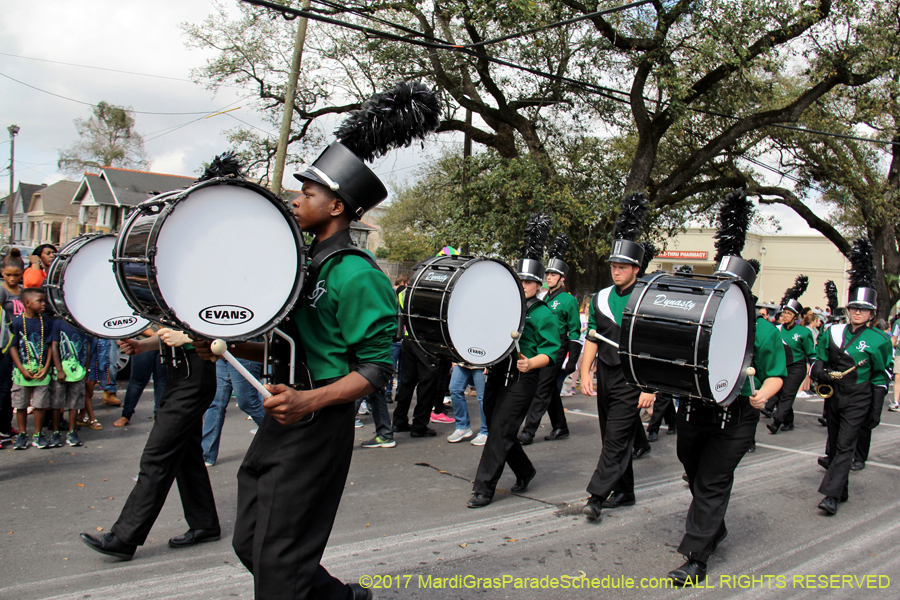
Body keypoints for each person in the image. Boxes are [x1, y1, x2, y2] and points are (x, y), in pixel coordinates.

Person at [667, 189, 786, 586]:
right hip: (694, 413)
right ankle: (713, 528)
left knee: (714, 480)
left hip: (734, 420)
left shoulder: (765, 331)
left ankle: (696, 557)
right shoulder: (701, 324)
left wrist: (764, 393)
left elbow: (775, 374)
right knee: (695, 474)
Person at [79, 327, 220, 560]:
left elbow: (227, 329)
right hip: (180, 376)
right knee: (186, 455)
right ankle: (205, 523)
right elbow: (173, 334)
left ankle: (124, 537)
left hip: (194, 376)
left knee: (157, 455)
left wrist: (186, 338)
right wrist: (143, 345)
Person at [468, 213, 560, 508]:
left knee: (499, 431)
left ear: (538, 285)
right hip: (497, 374)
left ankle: (483, 488)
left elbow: (553, 350)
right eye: (519, 279)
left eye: (529, 281)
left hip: (522, 379)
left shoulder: (543, 313)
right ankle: (525, 469)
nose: (523, 284)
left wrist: (532, 363)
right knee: (499, 427)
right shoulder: (505, 307)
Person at [580, 193, 656, 521]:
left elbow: (656, 347)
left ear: (636, 268)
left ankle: (597, 495)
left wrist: (651, 388)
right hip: (607, 374)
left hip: (634, 377)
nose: (616, 271)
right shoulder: (600, 296)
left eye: (622, 266)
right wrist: (585, 372)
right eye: (613, 265)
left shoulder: (649, 296)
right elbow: (593, 338)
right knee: (612, 435)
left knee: (615, 438)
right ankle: (626, 491)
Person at [813, 238, 892, 515]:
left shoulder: (879, 340)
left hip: (859, 396)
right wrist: (819, 372)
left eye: (863, 309)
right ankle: (841, 489)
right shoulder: (832, 331)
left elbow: (882, 376)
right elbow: (819, 356)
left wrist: (876, 409)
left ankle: (830, 497)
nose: (857, 312)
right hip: (834, 394)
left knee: (846, 445)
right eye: (853, 307)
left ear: (871, 313)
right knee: (834, 447)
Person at [519, 234, 580, 445]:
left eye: (554, 275)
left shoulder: (568, 300)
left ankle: (529, 430)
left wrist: (572, 359)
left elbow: (574, 331)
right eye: (548, 274)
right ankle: (561, 426)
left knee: (542, 388)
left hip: (558, 346)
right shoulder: (543, 297)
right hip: (540, 343)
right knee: (549, 388)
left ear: (562, 278)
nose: (549, 277)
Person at [200, 341, 266, 465]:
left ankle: (283, 436)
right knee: (215, 403)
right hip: (221, 347)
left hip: (243, 347)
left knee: (247, 402)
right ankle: (206, 454)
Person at [9, 287, 56, 449]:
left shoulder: (46, 323)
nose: (44, 304)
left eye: (44, 301)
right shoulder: (16, 323)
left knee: (40, 405)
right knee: (20, 404)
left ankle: (38, 434)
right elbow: (12, 347)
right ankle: (22, 434)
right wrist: (21, 369)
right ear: (27, 303)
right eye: (40, 301)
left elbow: (51, 346)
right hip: (22, 373)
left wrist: (46, 367)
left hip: (42, 372)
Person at [765, 287, 815, 433]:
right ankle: (788, 421)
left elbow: (811, 353)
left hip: (796, 367)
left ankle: (776, 422)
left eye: (789, 313)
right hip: (781, 366)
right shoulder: (777, 330)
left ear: (796, 316)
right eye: (784, 313)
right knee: (780, 394)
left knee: (787, 395)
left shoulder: (804, 332)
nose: (785, 316)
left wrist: (814, 369)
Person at [50, 316, 92, 447]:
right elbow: (54, 346)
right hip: (61, 372)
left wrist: (85, 368)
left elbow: (87, 346)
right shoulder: (58, 323)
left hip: (78, 373)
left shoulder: (83, 323)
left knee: (75, 404)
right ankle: (55, 432)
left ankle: (72, 432)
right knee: (57, 403)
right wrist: (59, 369)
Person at [114, 328, 167, 428]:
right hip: (143, 341)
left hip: (164, 341)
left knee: (162, 382)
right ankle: (126, 414)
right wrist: (153, 334)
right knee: (137, 382)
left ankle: (159, 415)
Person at [0, 248, 25, 446]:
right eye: (8, 275)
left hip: (21, 344)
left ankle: (6, 426)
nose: (11, 279)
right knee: (3, 388)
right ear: (2, 273)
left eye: (16, 275)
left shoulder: (23, 291)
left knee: (11, 388)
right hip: (6, 345)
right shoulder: (1, 291)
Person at [447, 362, 488, 445]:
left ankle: (486, 431)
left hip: (482, 362)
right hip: (462, 361)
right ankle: (462, 426)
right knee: (455, 389)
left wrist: (489, 364)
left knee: (483, 397)